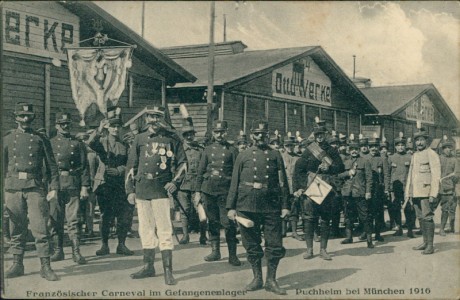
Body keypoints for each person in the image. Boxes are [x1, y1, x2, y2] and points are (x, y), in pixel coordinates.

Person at [227, 120, 290, 295]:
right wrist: (230, 207)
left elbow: (283, 182)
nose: (260, 136)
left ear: (268, 135)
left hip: (271, 205)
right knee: (251, 244)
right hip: (246, 204)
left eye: (263, 133)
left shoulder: (276, 154)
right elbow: (234, 182)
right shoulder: (243, 155)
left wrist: (285, 205)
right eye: (257, 134)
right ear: (252, 135)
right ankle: (257, 278)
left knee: (275, 244)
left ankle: (271, 280)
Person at [126, 105, 186, 285]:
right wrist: (130, 190)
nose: (154, 120)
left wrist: (174, 182)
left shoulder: (172, 139)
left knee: (164, 228)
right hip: (143, 188)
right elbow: (131, 167)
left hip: (161, 189)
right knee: (145, 228)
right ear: (146, 119)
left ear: (162, 119)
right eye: (150, 116)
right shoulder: (139, 139)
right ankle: (148, 267)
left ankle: (168, 270)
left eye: (157, 117)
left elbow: (183, 164)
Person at [4, 102, 60, 281]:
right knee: (16, 228)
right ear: (16, 118)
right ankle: (17, 264)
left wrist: (54, 188)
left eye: (28, 116)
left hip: (35, 187)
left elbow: (52, 166)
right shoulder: (7, 138)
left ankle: (45, 266)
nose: (25, 119)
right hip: (12, 188)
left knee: (40, 228)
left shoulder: (40, 139)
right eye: (22, 116)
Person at [293, 118, 344, 260]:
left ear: (326, 135)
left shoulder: (332, 151)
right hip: (312, 186)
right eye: (317, 135)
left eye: (322, 134)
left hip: (326, 186)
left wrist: (329, 167)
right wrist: (301, 187)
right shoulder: (309, 151)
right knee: (309, 218)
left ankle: (323, 249)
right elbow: (299, 169)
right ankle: (309, 250)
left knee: (325, 218)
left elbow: (340, 167)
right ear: (314, 136)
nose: (320, 137)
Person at [88, 106, 134, 257]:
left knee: (123, 215)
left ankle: (121, 244)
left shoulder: (125, 144)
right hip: (105, 185)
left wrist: (119, 170)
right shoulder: (101, 141)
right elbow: (90, 143)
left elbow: (130, 163)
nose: (115, 129)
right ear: (108, 127)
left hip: (120, 184)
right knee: (105, 215)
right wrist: (99, 129)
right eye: (112, 126)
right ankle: (104, 245)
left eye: (117, 126)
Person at [194, 120, 241, 266]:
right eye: (216, 132)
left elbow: (236, 174)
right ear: (213, 133)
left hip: (225, 192)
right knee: (212, 222)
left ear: (226, 132)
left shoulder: (232, 150)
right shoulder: (207, 150)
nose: (219, 135)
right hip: (208, 190)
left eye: (222, 132)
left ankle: (233, 255)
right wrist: (197, 191)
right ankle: (215, 251)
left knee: (228, 223)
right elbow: (200, 172)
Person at [49, 112, 90, 265]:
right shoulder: (50, 143)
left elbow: (85, 167)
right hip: (55, 184)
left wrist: (85, 186)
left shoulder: (77, 144)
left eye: (67, 124)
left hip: (73, 183)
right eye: (62, 124)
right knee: (55, 218)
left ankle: (76, 251)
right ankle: (58, 250)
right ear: (56, 126)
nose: (65, 127)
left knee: (73, 220)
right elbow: (47, 167)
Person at [405, 124, 441, 255]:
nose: (419, 142)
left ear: (427, 141)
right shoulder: (415, 155)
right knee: (420, 217)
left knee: (427, 217)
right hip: (415, 192)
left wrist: (433, 193)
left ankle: (430, 245)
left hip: (426, 192)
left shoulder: (432, 154)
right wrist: (408, 192)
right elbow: (411, 174)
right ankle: (425, 242)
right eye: (417, 140)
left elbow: (436, 175)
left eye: (422, 140)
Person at [340, 134, 374, 248]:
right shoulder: (344, 162)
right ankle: (349, 237)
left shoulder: (365, 161)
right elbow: (338, 175)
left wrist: (368, 191)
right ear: (349, 150)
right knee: (348, 216)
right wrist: (347, 173)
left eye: (356, 149)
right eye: (352, 149)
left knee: (364, 216)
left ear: (359, 150)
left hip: (360, 192)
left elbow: (369, 178)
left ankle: (369, 240)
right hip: (347, 193)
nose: (354, 151)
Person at [176, 116, 206, 245]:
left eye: (191, 134)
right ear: (183, 136)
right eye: (186, 135)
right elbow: (174, 166)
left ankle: (203, 235)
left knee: (201, 210)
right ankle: (185, 235)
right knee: (184, 210)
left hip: (197, 185)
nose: (189, 137)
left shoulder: (200, 150)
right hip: (183, 184)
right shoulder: (179, 150)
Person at [388, 132, 415, 238]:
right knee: (395, 208)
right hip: (395, 188)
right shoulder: (391, 158)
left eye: (402, 145)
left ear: (405, 146)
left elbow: (413, 173)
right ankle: (399, 228)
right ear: (395, 147)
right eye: (398, 145)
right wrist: (389, 188)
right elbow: (388, 173)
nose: (400, 147)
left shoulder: (410, 157)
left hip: (406, 187)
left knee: (409, 208)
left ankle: (409, 229)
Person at [363, 134, 390, 242]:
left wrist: (387, 189)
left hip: (378, 189)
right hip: (366, 189)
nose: (373, 148)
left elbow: (386, 175)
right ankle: (366, 232)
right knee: (367, 212)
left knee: (378, 212)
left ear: (379, 147)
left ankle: (378, 233)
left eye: (375, 146)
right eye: (371, 146)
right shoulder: (364, 158)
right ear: (368, 148)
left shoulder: (382, 159)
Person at [280, 132, 304, 241]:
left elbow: (300, 174)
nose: (289, 148)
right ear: (284, 146)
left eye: (291, 145)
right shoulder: (280, 157)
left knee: (294, 209)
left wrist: (298, 188)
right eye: (287, 145)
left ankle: (294, 232)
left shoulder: (298, 158)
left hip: (294, 187)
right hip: (283, 187)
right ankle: (283, 230)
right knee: (283, 207)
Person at [438, 136, 458, 236]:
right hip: (436, 188)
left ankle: (441, 228)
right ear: (442, 149)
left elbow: (457, 173)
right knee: (429, 208)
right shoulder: (438, 158)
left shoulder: (454, 160)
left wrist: (454, 177)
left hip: (448, 189)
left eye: (450, 148)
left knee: (445, 209)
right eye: (446, 148)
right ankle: (423, 228)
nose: (448, 150)